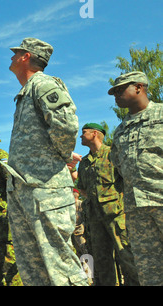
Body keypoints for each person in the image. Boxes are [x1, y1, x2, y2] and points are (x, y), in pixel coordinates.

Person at [6, 37, 88, 286]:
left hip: (46, 189)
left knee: (59, 264)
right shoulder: (25, 93)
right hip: (25, 189)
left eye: (16, 52)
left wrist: (61, 156)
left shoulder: (43, 84)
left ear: (26, 57)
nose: (11, 57)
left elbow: (66, 126)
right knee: (33, 268)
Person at [108, 71, 163, 286]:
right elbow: (118, 169)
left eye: (120, 90)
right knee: (149, 269)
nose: (116, 96)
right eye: (113, 92)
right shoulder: (121, 130)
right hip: (136, 209)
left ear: (139, 87)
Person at [77, 123, 139, 286]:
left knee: (126, 256)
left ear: (95, 133)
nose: (80, 136)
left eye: (84, 133)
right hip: (94, 219)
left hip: (117, 216)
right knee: (102, 260)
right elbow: (82, 189)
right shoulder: (83, 162)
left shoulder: (113, 154)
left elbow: (128, 180)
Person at [0, 129, 21, 286]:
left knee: (8, 261)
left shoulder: (1, 157)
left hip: (3, 215)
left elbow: (13, 184)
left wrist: (0, 203)